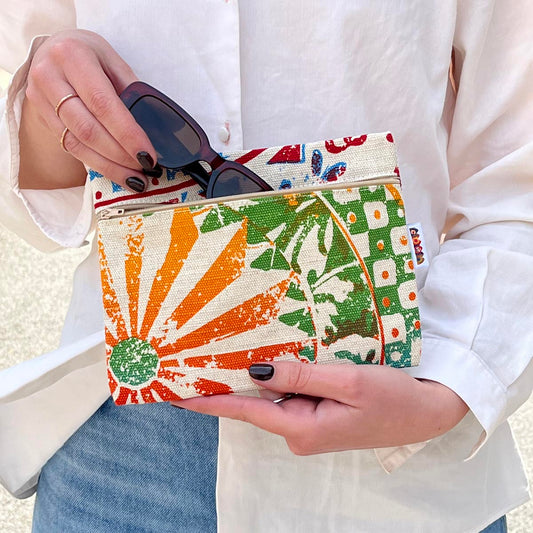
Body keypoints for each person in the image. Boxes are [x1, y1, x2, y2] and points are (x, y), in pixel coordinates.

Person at [1, 1, 532, 531]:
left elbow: (516, 173)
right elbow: (30, 181)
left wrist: (447, 389)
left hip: (390, 461)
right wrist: (55, 106)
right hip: (119, 457)